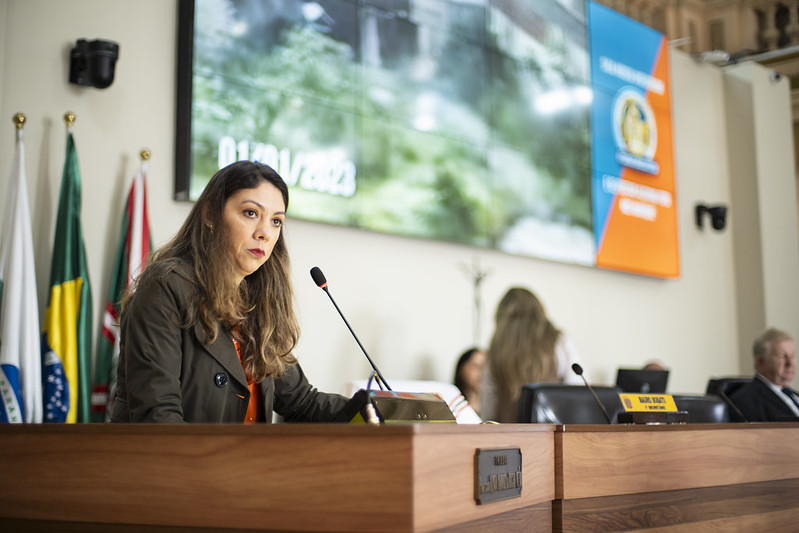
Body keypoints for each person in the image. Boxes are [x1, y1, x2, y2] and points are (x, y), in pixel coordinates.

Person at [111, 161, 349, 423]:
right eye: (250, 213)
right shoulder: (165, 287)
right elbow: (159, 416)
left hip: (248, 462)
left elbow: (302, 402)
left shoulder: (259, 304)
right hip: (181, 461)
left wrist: (378, 408)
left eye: (276, 221)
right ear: (210, 215)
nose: (265, 233)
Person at [479, 287, 582, 423]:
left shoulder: (495, 348)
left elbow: (488, 406)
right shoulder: (559, 340)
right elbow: (578, 391)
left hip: (509, 439)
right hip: (552, 437)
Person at [729, 328, 798, 422]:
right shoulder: (746, 401)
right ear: (760, 362)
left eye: (792, 356)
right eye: (782, 356)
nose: (790, 363)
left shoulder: (794, 395)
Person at [453, 347, 485, 414]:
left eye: (485, 368)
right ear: (461, 369)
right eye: (476, 366)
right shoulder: (452, 404)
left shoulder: (494, 409)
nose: (481, 374)